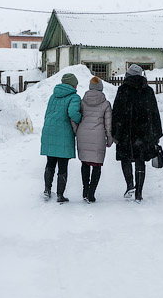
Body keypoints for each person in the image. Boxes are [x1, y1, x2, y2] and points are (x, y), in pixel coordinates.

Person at [111, 64, 163, 202]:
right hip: (144, 133)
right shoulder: (148, 91)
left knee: (125, 158)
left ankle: (130, 185)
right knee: (140, 161)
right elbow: (155, 113)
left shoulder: (122, 90)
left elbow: (116, 112)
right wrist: (157, 133)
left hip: (125, 131)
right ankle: (139, 192)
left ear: (127, 75)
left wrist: (114, 132)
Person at [40, 72, 82, 203]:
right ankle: (60, 195)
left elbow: (48, 113)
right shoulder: (74, 97)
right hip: (64, 132)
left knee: (50, 162)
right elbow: (73, 113)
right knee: (63, 165)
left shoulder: (54, 95)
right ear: (73, 85)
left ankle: (47, 190)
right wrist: (81, 120)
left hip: (49, 131)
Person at [76, 76, 113, 203]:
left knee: (85, 163)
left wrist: (77, 132)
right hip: (98, 137)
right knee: (97, 165)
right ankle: (91, 193)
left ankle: (85, 190)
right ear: (101, 88)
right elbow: (108, 124)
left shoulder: (82, 101)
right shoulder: (106, 103)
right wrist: (109, 138)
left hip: (83, 134)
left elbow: (76, 117)